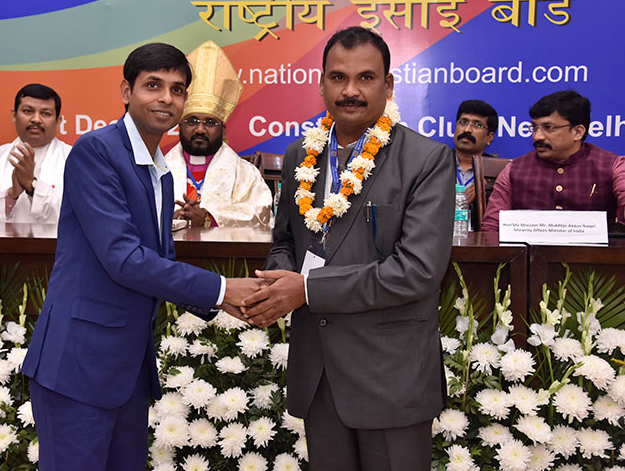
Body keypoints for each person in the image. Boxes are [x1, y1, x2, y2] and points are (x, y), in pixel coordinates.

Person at [21, 43, 257, 471]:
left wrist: (228, 300)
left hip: (126, 369)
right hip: (79, 364)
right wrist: (223, 291)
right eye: (153, 86)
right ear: (126, 92)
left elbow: (158, 258)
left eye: (177, 89)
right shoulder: (97, 151)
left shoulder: (159, 170)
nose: (167, 98)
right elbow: (124, 260)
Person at [241, 27, 455, 470]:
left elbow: (416, 271)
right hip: (319, 372)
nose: (350, 91)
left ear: (388, 85)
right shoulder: (300, 154)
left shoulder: (425, 159)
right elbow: (286, 240)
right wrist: (277, 279)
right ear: (322, 84)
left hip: (389, 375)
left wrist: (306, 289)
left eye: (365, 78)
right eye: (338, 77)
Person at [482, 90, 625, 232]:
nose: (537, 136)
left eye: (548, 128)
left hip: (596, 248)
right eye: (534, 127)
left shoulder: (614, 166)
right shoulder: (513, 170)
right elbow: (491, 228)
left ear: (578, 132)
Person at [165, 40, 272, 228]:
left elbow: (261, 215)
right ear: (179, 125)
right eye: (192, 120)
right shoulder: (158, 169)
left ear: (223, 129)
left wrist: (208, 218)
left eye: (210, 122)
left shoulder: (245, 173)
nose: (200, 129)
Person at [0, 83, 71, 224]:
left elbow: (81, 213)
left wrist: (32, 185)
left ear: (58, 121)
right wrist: (10, 195)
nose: (36, 119)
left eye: (46, 113)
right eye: (28, 111)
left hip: (55, 239)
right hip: (1, 239)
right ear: (14, 116)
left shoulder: (74, 159)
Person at [452, 99, 498, 230]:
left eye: (478, 125)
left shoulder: (498, 173)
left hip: (482, 239)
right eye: (463, 122)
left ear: (489, 137)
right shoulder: (435, 164)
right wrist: (460, 201)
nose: (467, 129)